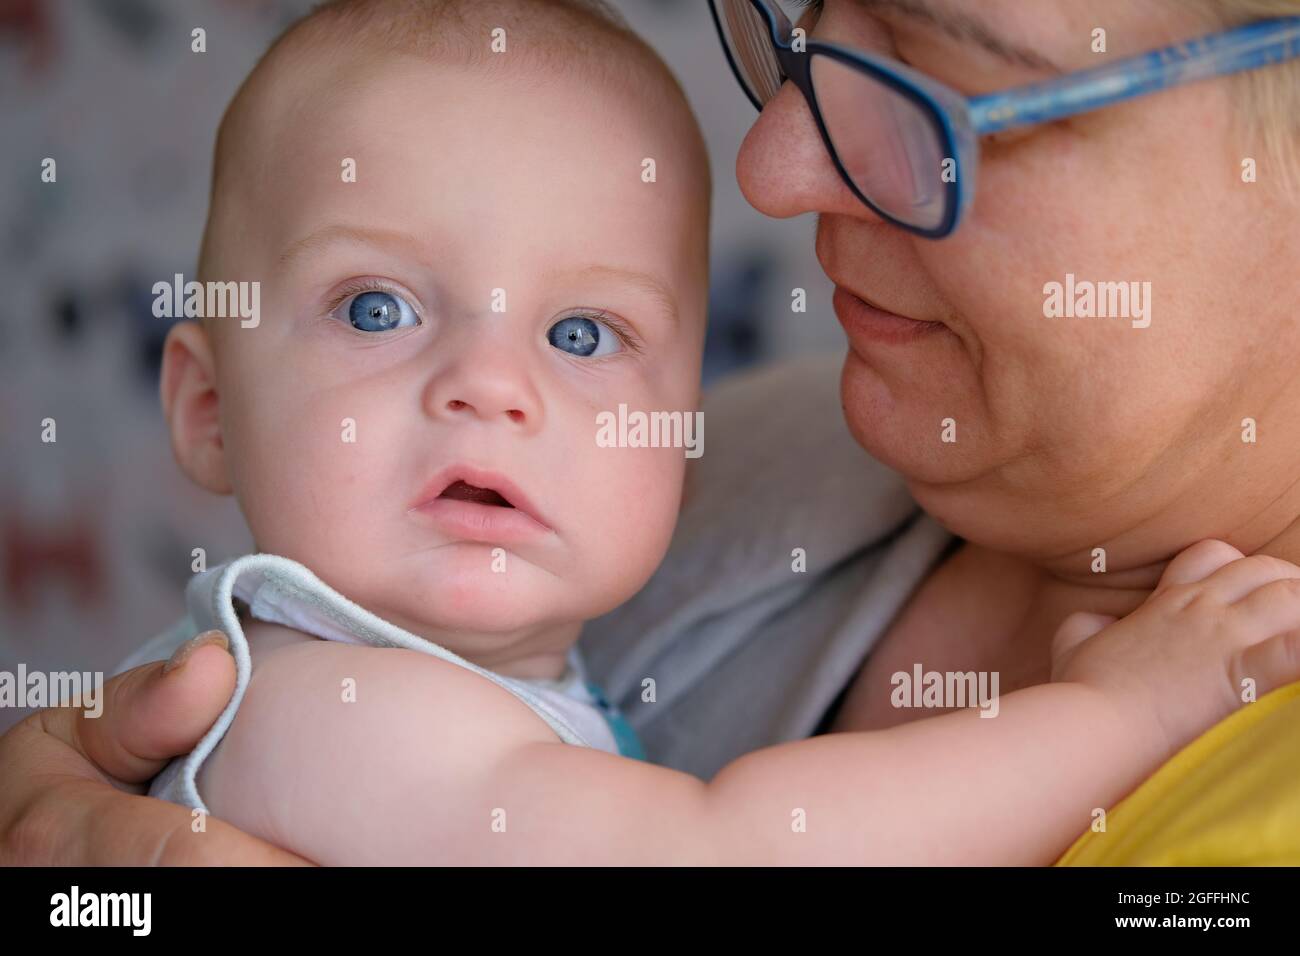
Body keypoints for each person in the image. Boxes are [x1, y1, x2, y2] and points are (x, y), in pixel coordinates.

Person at [4, 0, 1300, 865]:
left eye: (940, 87)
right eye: (379, 306)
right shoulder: (324, 706)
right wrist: (1120, 716)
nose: (777, 171)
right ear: (210, 408)